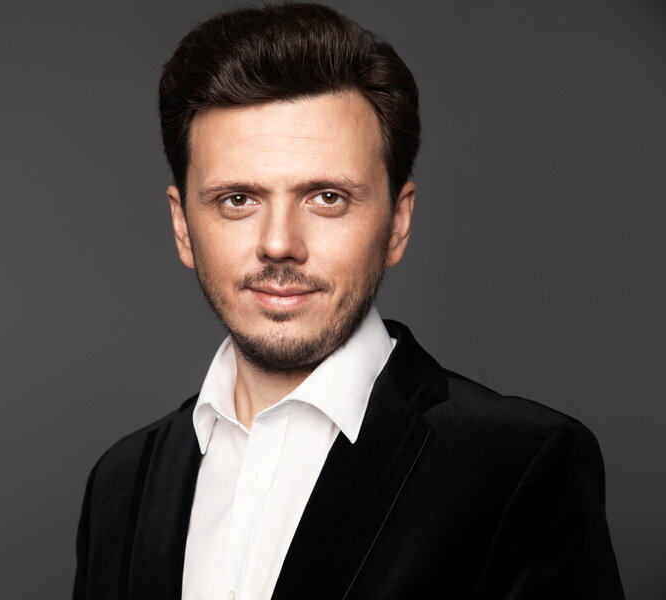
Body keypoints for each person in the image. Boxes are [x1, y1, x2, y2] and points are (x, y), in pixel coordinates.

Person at [72, 3, 624, 599]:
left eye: (327, 197)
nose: (279, 244)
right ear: (183, 226)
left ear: (397, 223)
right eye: (238, 199)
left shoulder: (519, 466)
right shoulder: (121, 483)